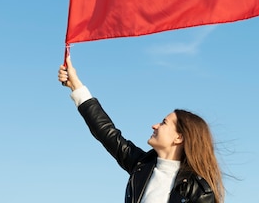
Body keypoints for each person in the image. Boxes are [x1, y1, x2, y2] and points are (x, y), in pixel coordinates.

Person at [58, 55, 225, 203]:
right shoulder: (141, 165)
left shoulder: (200, 192)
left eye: (163, 123)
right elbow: (106, 132)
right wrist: (76, 86)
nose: (155, 125)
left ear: (179, 137)